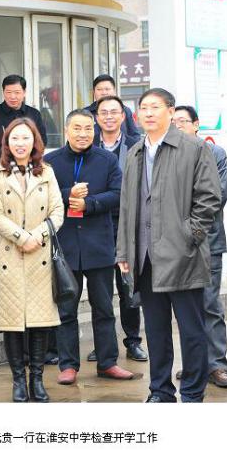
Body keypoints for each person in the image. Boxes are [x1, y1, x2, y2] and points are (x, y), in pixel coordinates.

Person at [116, 88, 221, 403]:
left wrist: (189, 236)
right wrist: (124, 251)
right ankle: (160, 390)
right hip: (145, 257)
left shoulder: (193, 148)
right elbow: (126, 206)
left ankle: (192, 392)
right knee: (156, 330)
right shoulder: (135, 152)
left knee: (191, 330)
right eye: (144, 108)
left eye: (155, 107)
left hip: (183, 256)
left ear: (171, 112)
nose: (148, 113)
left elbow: (209, 198)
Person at [45, 109, 135, 385]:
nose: (83, 134)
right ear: (66, 130)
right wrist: (67, 195)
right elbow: (43, 197)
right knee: (66, 310)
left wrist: (89, 203)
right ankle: (68, 365)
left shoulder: (107, 160)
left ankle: (108, 362)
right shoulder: (51, 162)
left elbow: (118, 194)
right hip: (66, 248)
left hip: (99, 245)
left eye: (88, 128)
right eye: (77, 128)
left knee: (104, 308)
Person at [0, 118, 64, 402]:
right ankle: (18, 380)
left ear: (35, 142)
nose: (20, 143)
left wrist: (37, 236)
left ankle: (37, 380)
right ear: (6, 142)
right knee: (12, 322)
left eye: (25, 138)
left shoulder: (47, 172)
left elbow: (57, 212)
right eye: (14, 138)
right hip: (8, 255)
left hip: (39, 254)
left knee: (40, 321)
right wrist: (21, 237)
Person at [173, 105, 227, 388]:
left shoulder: (214, 153)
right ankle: (194, 365)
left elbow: (216, 196)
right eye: (173, 122)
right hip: (175, 244)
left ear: (196, 125)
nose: (177, 126)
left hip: (208, 241)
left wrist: (183, 220)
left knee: (210, 304)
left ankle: (217, 365)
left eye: (183, 121)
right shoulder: (167, 154)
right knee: (186, 308)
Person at [86, 96, 147, 363]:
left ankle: (133, 341)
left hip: (128, 224)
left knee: (128, 288)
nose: (109, 117)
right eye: (104, 113)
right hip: (97, 223)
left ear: (123, 117)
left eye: (114, 112)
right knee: (99, 291)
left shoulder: (137, 145)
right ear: (97, 118)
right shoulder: (88, 146)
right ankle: (103, 344)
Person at [0, 74, 48, 164]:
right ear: (3, 92)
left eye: (17, 92)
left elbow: (42, 139)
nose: (12, 96)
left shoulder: (34, 114)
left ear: (24, 92)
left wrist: (28, 156)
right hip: (3, 165)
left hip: (30, 164)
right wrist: (6, 157)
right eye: (8, 92)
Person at [85, 74, 140, 142]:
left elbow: (135, 136)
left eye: (107, 89)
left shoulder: (125, 111)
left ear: (114, 91)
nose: (104, 93)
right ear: (93, 92)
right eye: (99, 89)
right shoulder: (85, 113)